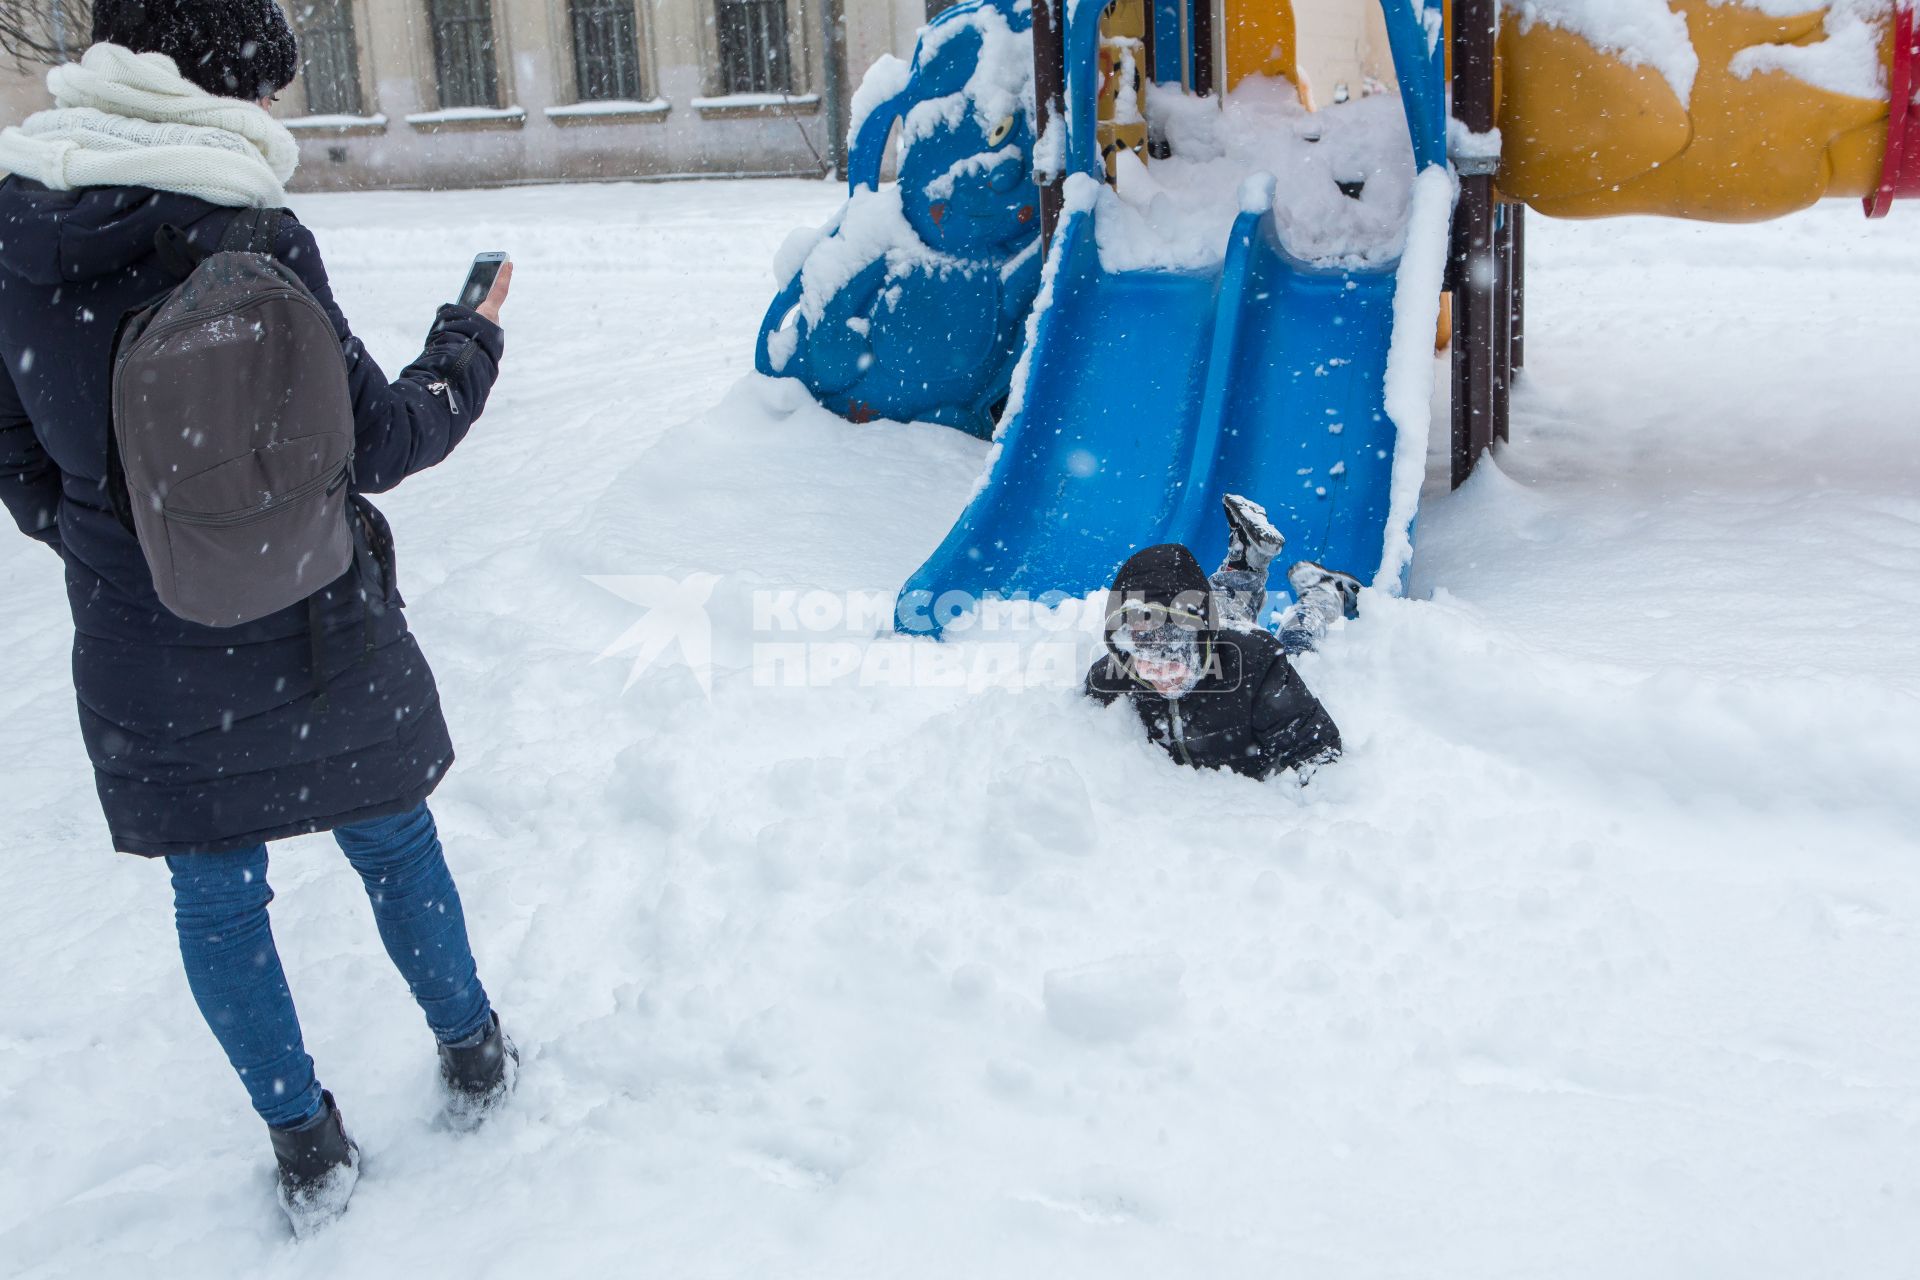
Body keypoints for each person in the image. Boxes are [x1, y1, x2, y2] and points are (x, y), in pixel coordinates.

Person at [0, 0, 514, 1233]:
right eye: (268, 90)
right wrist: (471, 339)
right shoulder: (250, 232)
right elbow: (381, 441)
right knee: (391, 838)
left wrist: (113, 543)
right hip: (316, 621)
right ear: (221, 83)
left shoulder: (14, 227)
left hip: (142, 645)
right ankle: (476, 1053)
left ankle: (305, 1143)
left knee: (215, 892)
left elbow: (20, 459)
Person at [1086, 494, 1359, 780]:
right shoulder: (1114, 676)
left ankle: (1324, 592)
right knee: (1217, 608)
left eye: (1175, 655)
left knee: (1297, 643)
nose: (1161, 670)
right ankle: (1245, 558)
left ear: (1201, 640)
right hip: (1209, 624)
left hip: (1237, 654)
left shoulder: (1256, 666)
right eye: (1145, 656)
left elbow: (1319, 752)